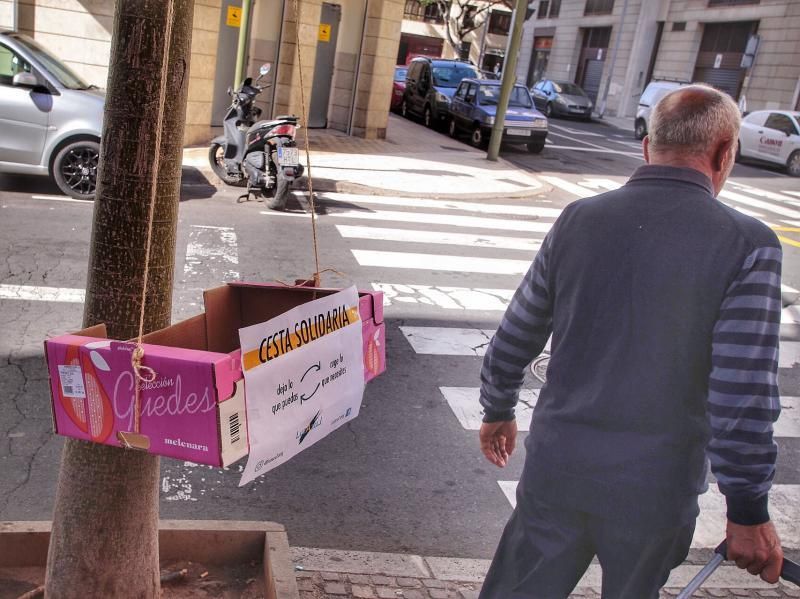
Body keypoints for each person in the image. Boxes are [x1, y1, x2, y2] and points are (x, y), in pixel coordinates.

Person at [478, 84, 784, 598]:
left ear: (647, 145)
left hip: (560, 465)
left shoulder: (579, 219)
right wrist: (747, 510)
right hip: (656, 487)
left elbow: (519, 327)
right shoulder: (747, 244)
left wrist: (498, 406)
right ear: (725, 152)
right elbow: (741, 393)